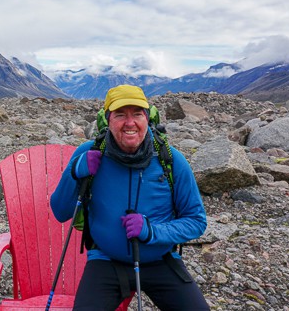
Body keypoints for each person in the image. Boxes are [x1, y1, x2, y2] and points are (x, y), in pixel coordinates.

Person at [50, 84, 209, 310]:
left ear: (147, 118)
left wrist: (152, 231)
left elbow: (196, 221)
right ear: (107, 120)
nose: (130, 122)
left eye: (137, 114)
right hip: (106, 259)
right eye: (120, 115)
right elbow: (60, 212)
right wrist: (74, 172)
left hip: (159, 259)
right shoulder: (90, 152)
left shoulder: (171, 160)